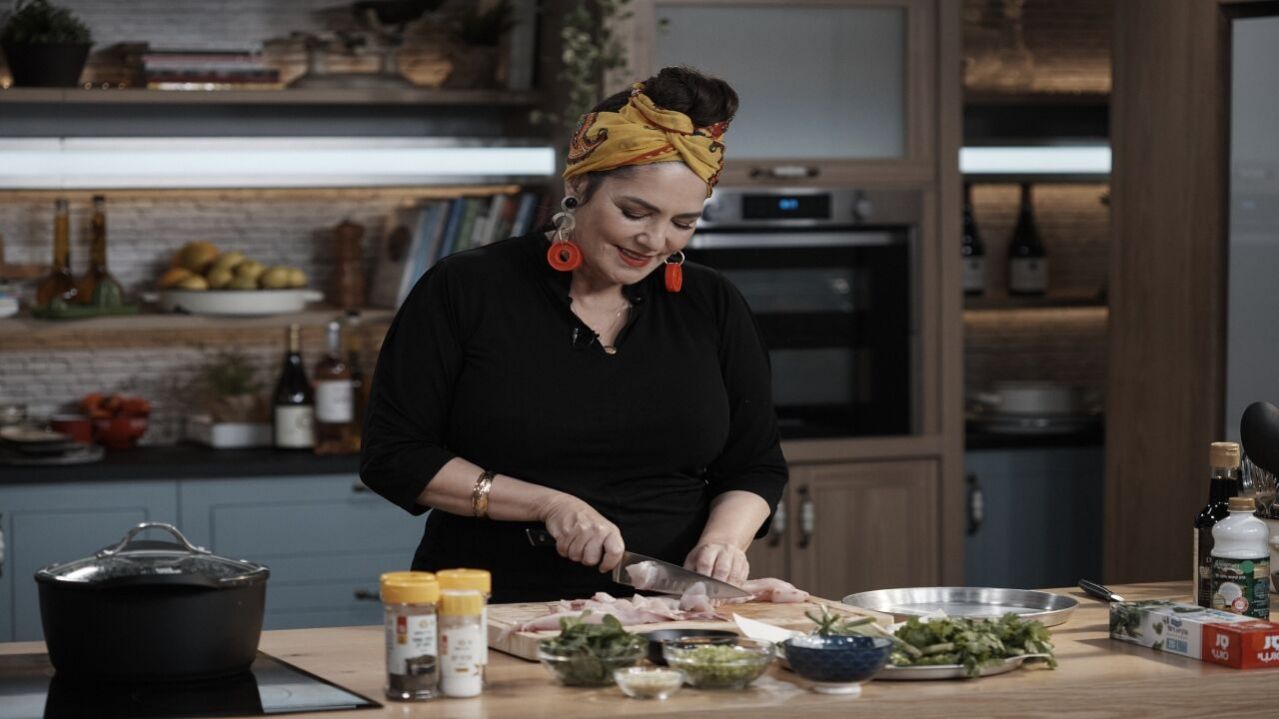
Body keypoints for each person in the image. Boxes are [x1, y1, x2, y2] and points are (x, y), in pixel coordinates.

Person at [360, 66, 788, 603]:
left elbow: (754, 465)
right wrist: (549, 505)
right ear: (578, 185)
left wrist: (724, 543)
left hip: (673, 608)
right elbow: (395, 455)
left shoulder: (712, 302)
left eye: (683, 222)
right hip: (491, 605)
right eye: (635, 212)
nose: (655, 241)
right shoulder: (465, 288)